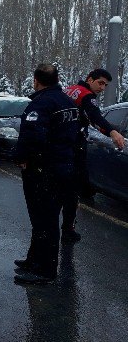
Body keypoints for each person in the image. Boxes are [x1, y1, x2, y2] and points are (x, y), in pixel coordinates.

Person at [14, 64, 80, 284]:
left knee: (44, 219)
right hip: (63, 167)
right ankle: (34, 260)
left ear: (36, 80)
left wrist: (22, 158)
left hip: (44, 169)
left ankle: (45, 270)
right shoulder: (68, 102)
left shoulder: (41, 104)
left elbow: (33, 137)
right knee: (44, 218)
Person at [61, 69, 126, 242]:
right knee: (72, 191)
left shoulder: (70, 90)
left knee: (56, 190)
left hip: (59, 147)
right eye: (100, 83)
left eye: (106, 85)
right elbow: (96, 118)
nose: (103, 87)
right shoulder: (87, 96)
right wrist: (112, 132)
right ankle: (68, 230)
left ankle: (50, 231)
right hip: (74, 147)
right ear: (90, 79)